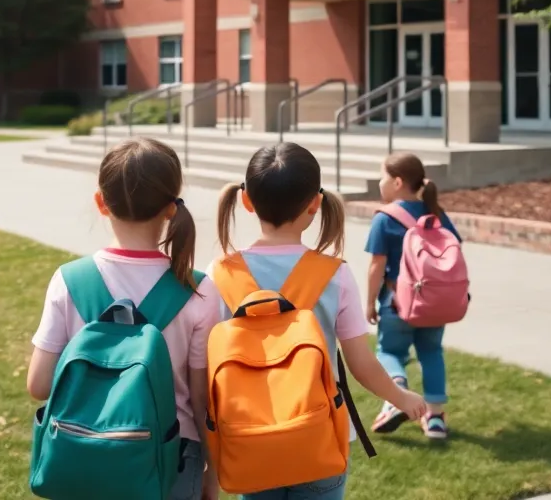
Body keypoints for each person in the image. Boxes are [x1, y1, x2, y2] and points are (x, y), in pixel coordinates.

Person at [212, 143, 425, 500]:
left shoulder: (220, 274)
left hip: (249, 433)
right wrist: (400, 397)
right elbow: (361, 364)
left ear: (246, 201)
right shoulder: (334, 275)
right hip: (320, 433)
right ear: (315, 204)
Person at [28, 137, 220, 500]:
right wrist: (212, 472)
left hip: (83, 455)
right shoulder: (198, 290)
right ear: (170, 208)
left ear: (100, 203)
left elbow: (38, 384)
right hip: (172, 461)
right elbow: (200, 399)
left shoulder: (70, 281)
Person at [365, 152, 461, 440]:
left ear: (396, 182)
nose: (379, 183)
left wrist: (369, 301)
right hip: (433, 302)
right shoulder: (437, 213)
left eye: (381, 176)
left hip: (397, 302)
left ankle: (397, 396)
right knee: (432, 352)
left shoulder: (385, 218)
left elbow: (376, 266)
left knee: (389, 352)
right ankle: (434, 420)